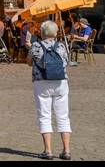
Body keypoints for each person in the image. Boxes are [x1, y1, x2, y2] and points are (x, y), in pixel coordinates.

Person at [30, 19, 73, 159]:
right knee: (63, 115)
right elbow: (66, 62)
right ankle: (66, 150)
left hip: (42, 82)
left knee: (44, 115)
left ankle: (48, 151)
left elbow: (29, 62)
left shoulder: (36, 45)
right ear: (55, 33)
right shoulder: (61, 45)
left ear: (42, 32)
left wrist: (28, 47)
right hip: (60, 82)